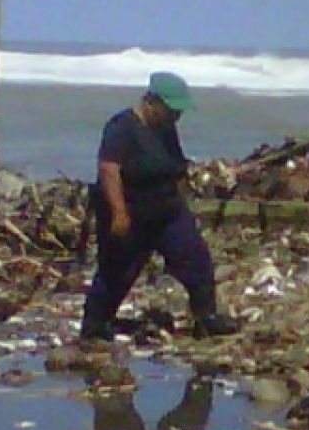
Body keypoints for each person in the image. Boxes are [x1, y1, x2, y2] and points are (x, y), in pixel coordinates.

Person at [80, 72, 238, 341]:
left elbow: (173, 164)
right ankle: (95, 326)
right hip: (131, 211)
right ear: (152, 102)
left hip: (168, 210)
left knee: (196, 260)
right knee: (116, 271)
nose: (177, 116)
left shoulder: (165, 128)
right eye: (172, 110)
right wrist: (119, 213)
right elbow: (109, 169)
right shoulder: (122, 127)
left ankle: (206, 318)